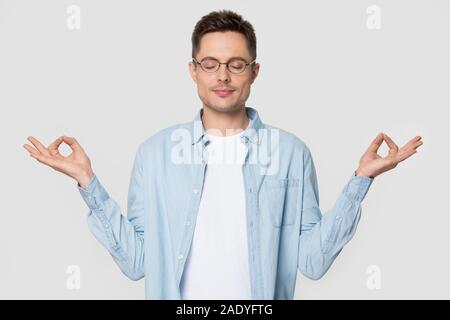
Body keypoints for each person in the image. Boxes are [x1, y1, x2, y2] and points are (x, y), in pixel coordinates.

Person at [23, 10, 423, 300]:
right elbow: (137, 263)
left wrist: (361, 181)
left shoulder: (289, 153)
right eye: (210, 64)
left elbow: (313, 263)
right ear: (193, 70)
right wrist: (87, 183)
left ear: (254, 71)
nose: (223, 76)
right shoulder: (156, 154)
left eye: (236, 64)